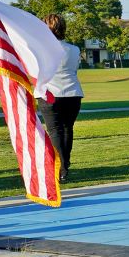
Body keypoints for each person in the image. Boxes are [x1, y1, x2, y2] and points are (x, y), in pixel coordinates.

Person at [37, 13, 83, 179]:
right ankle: (65, 164)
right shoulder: (75, 49)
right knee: (67, 129)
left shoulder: (41, 49)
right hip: (72, 93)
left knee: (55, 131)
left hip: (50, 93)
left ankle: (61, 168)